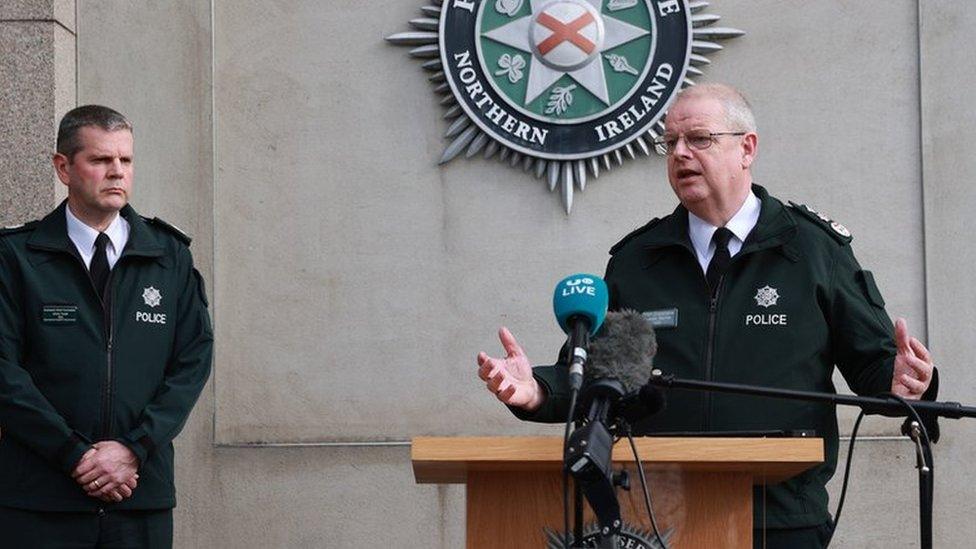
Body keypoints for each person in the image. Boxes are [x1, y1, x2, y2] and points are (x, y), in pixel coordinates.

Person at [476, 84, 937, 548]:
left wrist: (905, 382)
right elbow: (597, 379)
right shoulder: (639, 260)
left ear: (746, 148)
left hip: (779, 519)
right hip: (656, 519)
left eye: (699, 139)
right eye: (670, 143)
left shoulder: (813, 250)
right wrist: (538, 390)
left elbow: (877, 367)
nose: (680, 154)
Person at [0, 105, 213, 547]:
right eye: (100, 160)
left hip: (139, 498)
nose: (117, 172)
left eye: (126, 160)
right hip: (40, 501)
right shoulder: (16, 258)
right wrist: (74, 454)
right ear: (64, 167)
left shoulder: (168, 257)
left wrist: (133, 450)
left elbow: (191, 361)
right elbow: (4, 373)